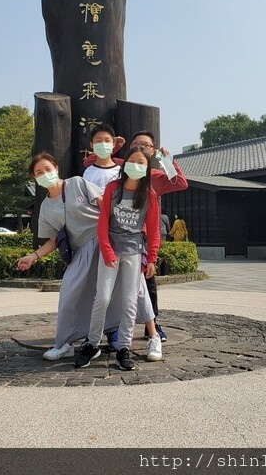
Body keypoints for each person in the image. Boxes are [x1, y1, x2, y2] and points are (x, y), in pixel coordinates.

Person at [16, 152, 155, 360]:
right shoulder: (45, 207)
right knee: (71, 290)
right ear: (34, 178)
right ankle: (66, 343)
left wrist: (125, 231)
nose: (45, 174)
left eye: (47, 169)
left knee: (136, 290)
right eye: (39, 172)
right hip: (83, 250)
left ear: (56, 168)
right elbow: (54, 240)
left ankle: (153, 335)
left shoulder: (77, 183)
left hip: (107, 240)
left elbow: (104, 203)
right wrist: (33, 256)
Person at [84, 129, 188, 342]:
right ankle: (108, 332)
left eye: (147, 145)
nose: (140, 147)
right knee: (109, 290)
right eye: (136, 143)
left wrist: (167, 161)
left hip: (140, 237)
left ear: (153, 150)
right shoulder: (122, 165)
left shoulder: (155, 176)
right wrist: (115, 145)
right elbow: (90, 162)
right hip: (114, 236)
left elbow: (180, 183)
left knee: (146, 285)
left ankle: (152, 327)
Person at [76, 146, 161, 371]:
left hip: (134, 252)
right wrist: (107, 250)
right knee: (102, 297)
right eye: (132, 161)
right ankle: (92, 343)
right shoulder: (113, 188)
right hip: (111, 251)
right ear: (124, 165)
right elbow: (103, 222)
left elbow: (153, 230)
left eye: (141, 163)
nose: (136, 165)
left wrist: (151, 257)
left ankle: (123, 348)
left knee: (129, 302)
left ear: (147, 168)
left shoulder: (149, 195)